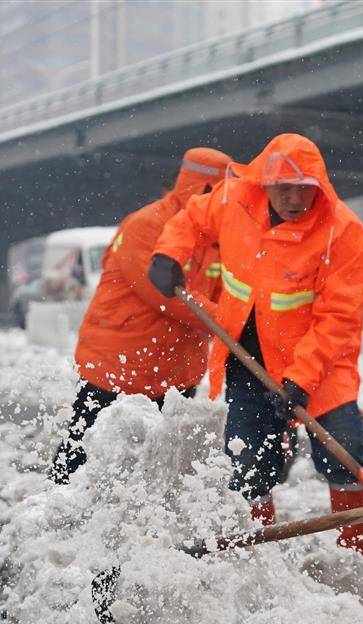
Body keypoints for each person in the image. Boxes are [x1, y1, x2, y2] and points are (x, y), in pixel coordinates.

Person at [149, 133, 363, 553]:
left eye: (303, 189)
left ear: (319, 187)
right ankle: (255, 557)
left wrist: (301, 380)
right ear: (264, 184)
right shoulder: (234, 200)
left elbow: (337, 319)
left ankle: (356, 555)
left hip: (321, 365)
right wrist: (168, 254)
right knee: (248, 463)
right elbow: (190, 220)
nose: (294, 199)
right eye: (283, 188)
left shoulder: (343, 234)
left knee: (343, 454)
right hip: (247, 357)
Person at [50, 147, 233, 484]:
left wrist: (239, 322)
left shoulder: (221, 237)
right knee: (84, 450)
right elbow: (165, 295)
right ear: (203, 189)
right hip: (118, 362)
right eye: (223, 194)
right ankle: (56, 510)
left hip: (178, 369)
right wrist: (232, 323)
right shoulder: (148, 225)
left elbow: (228, 292)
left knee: (158, 459)